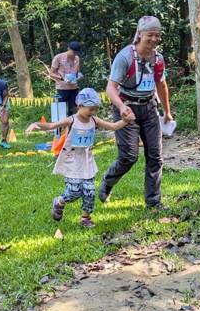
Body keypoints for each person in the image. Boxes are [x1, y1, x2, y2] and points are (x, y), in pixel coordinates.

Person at [25, 88, 131, 228]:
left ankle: (85, 218)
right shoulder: (72, 120)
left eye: (95, 109)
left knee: (90, 191)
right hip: (71, 160)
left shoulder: (94, 120)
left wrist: (125, 120)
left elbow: (112, 126)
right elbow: (52, 125)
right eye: (90, 109)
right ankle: (60, 202)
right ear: (80, 106)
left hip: (86, 160)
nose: (93, 112)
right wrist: (36, 124)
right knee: (74, 191)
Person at [99, 16, 173, 209]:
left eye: (157, 35)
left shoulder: (158, 59)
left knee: (156, 156)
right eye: (150, 35)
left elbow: (161, 84)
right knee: (129, 156)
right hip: (127, 108)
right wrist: (122, 108)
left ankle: (153, 201)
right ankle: (108, 181)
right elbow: (110, 88)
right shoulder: (125, 57)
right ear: (140, 34)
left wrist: (167, 111)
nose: (154, 39)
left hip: (149, 108)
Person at [49, 41, 82, 115]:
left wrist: (79, 76)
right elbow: (51, 73)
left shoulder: (77, 58)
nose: (74, 55)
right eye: (73, 52)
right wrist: (62, 78)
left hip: (74, 89)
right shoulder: (58, 57)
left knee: (74, 111)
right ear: (68, 49)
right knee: (61, 112)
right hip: (62, 89)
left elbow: (77, 72)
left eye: (76, 53)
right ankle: (61, 126)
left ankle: (72, 126)